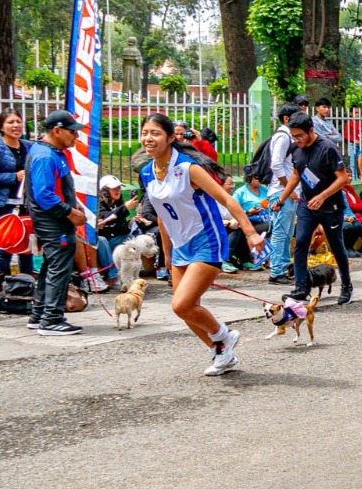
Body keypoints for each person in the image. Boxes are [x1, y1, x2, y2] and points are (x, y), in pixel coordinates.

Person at [139, 113, 265, 373]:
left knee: (182, 304)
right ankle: (221, 353)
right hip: (179, 245)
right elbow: (162, 216)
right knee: (184, 309)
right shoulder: (146, 173)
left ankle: (223, 336)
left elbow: (227, 200)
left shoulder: (188, 168)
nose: (148, 138)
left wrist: (250, 232)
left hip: (206, 239)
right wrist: (166, 253)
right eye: (145, 133)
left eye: (155, 133)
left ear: (170, 138)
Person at [23, 111, 90, 335]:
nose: (76, 136)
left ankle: (39, 314)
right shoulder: (45, 156)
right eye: (72, 132)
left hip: (55, 219)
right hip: (53, 221)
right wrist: (69, 212)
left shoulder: (53, 152)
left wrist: (73, 204)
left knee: (51, 266)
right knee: (60, 268)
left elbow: (59, 188)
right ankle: (51, 319)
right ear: (57, 131)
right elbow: (44, 194)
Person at [277, 112, 353, 306]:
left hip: (330, 206)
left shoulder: (327, 148)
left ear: (310, 131)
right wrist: (282, 198)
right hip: (307, 205)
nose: (296, 140)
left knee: (336, 245)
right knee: (301, 243)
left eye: (299, 136)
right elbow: (296, 175)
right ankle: (301, 288)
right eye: (293, 136)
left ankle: (346, 285)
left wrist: (322, 197)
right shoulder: (296, 148)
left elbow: (343, 178)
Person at [0, 109, 35, 287]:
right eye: (10, 122)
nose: (16, 125)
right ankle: (1, 282)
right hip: (3, 204)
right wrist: (13, 177)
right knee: (6, 244)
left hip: (26, 204)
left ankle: (26, 283)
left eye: (18, 121)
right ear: (1, 127)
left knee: (27, 245)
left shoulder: (29, 146)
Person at [263, 103, 298, 284]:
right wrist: (288, 188)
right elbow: (276, 164)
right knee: (280, 233)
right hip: (281, 192)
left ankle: (284, 268)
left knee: (287, 233)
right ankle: (276, 271)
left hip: (287, 192)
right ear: (286, 118)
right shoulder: (283, 137)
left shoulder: (288, 136)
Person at [95, 175, 139, 284]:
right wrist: (124, 208)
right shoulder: (98, 204)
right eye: (114, 188)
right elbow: (105, 217)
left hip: (113, 239)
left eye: (119, 188)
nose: (118, 191)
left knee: (130, 238)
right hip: (101, 243)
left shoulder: (117, 204)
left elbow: (121, 229)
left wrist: (129, 222)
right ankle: (112, 276)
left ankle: (134, 271)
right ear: (105, 190)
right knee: (101, 240)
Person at [223, 170, 270, 273]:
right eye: (229, 184)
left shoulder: (264, 190)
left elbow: (235, 213)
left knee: (239, 228)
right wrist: (248, 213)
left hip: (259, 220)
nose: (232, 187)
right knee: (239, 229)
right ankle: (225, 260)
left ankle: (245, 261)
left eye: (233, 184)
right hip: (247, 222)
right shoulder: (239, 193)